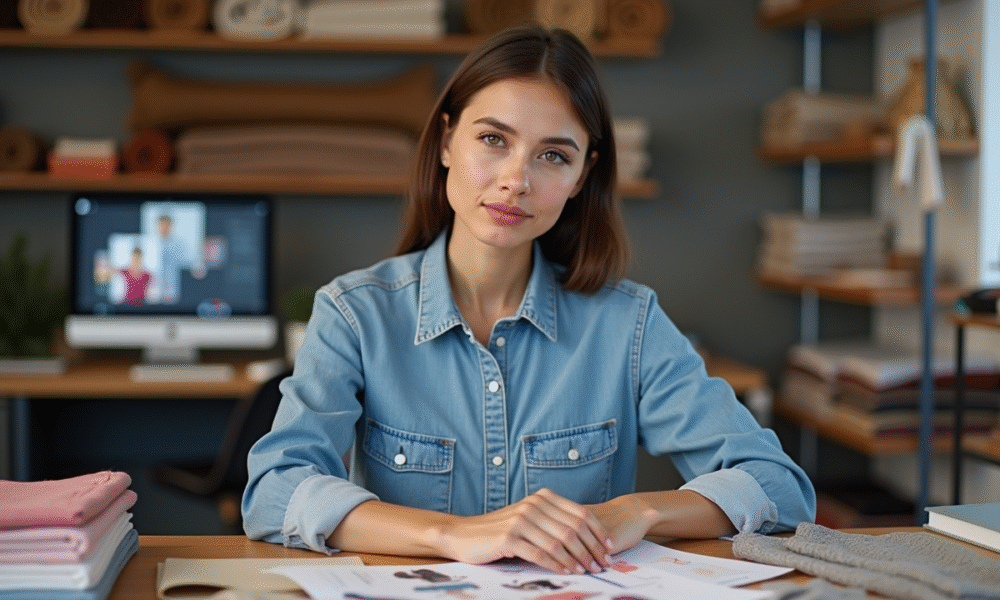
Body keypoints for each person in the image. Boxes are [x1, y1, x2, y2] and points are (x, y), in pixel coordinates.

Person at [242, 23, 815, 575]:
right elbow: (273, 491)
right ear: (446, 140)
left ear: (582, 176)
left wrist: (635, 511)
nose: (517, 179)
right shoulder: (353, 313)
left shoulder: (629, 321)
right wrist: (450, 533)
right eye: (493, 139)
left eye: (553, 156)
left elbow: (777, 485)